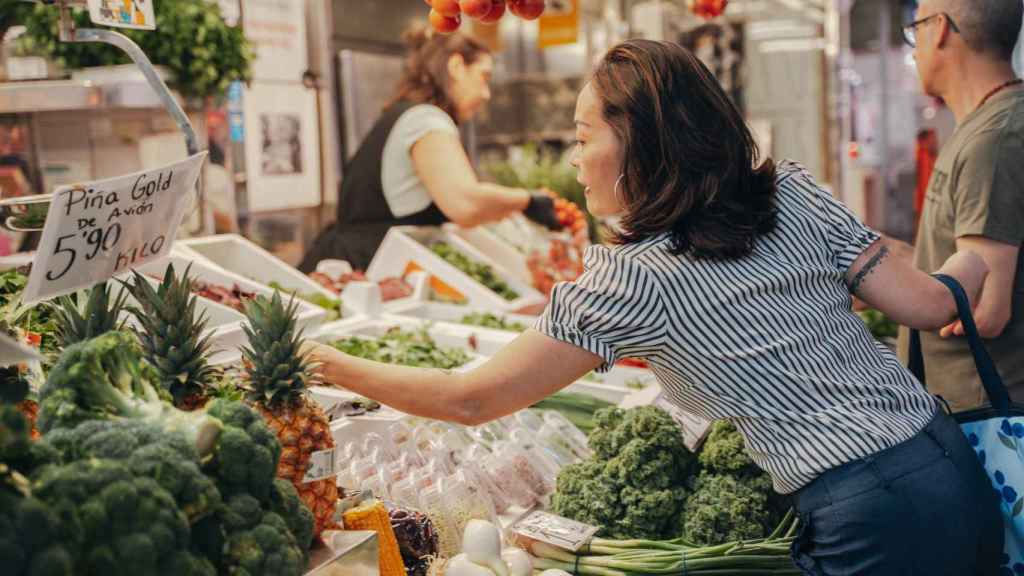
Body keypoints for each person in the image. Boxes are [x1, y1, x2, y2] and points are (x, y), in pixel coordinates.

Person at [306, 40, 1001, 575]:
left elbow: (469, 401)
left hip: (868, 512)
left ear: (640, 141)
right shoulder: (790, 194)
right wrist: (983, 254)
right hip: (951, 463)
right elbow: (927, 300)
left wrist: (331, 363)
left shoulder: (635, 282)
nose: (574, 161)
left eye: (582, 139)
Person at [299, 25, 562, 273]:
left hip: (354, 267)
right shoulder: (425, 119)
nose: (486, 94)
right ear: (457, 66)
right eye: (484, 77)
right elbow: (466, 204)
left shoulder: (406, 114)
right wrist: (527, 200)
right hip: (363, 271)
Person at [900, 0, 1024, 412]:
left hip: (989, 415)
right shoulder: (992, 124)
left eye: (914, 29)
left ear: (939, 29)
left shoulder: (995, 139)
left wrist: (876, 284)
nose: (914, 49)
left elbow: (984, 310)